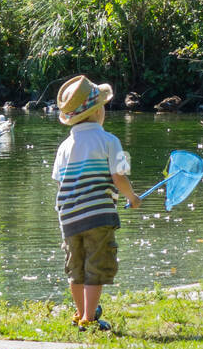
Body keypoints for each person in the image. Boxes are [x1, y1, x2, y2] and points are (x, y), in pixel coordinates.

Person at [52, 74, 141, 331]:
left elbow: (59, 182)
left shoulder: (64, 146)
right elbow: (120, 175)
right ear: (98, 111)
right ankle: (89, 319)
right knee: (96, 265)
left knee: (75, 266)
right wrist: (131, 197)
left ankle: (80, 313)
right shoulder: (111, 140)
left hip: (68, 216)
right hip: (99, 215)